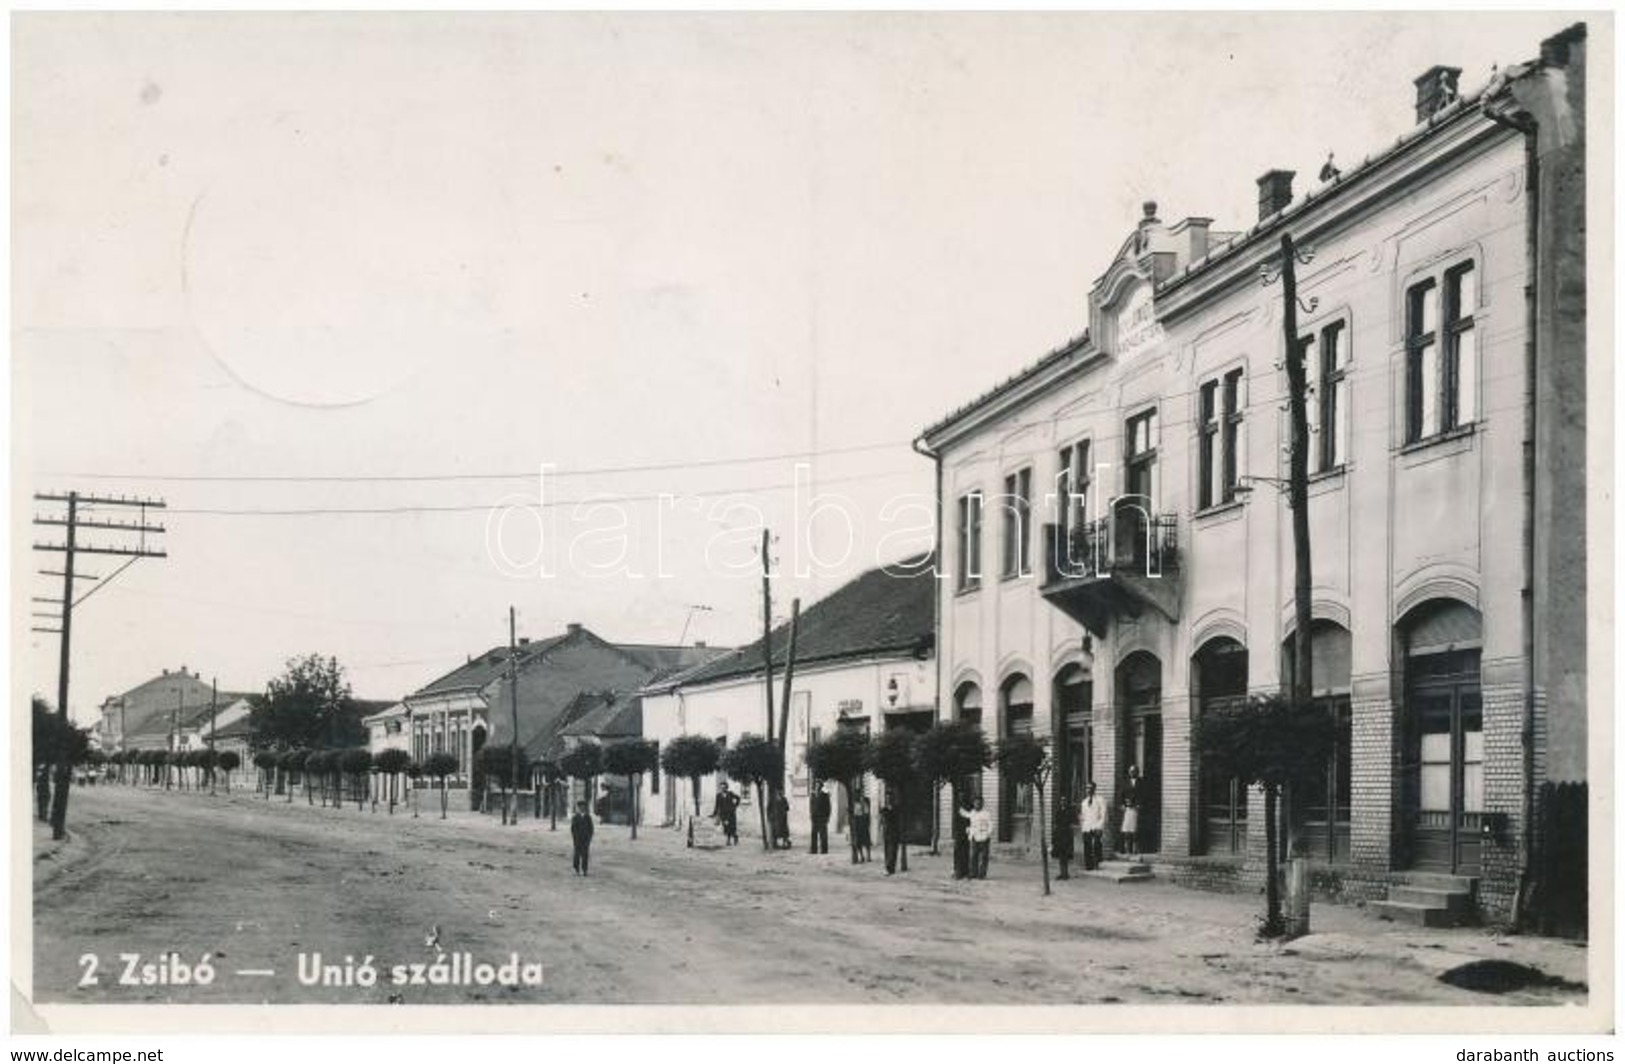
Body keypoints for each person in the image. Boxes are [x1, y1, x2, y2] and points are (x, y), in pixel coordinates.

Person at [961, 796, 993, 879]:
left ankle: (981, 874)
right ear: (974, 804)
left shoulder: (986, 814)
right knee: (973, 856)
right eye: (976, 803)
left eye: (979, 803)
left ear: (982, 804)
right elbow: (966, 816)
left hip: (984, 836)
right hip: (974, 836)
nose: (977, 805)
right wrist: (968, 830)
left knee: (983, 856)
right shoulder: (972, 813)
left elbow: (990, 825)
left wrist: (987, 834)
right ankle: (973, 873)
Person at [1079, 781, 1107, 870]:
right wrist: (1083, 827)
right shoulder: (1084, 802)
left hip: (1096, 826)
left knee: (1097, 845)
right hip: (1087, 826)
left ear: (1094, 789)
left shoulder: (1100, 800)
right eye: (1087, 788)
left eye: (1091, 788)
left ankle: (1098, 863)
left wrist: (1099, 827)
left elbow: (1104, 814)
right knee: (1087, 846)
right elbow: (1083, 816)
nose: (1089, 790)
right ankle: (1089, 866)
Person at [1052, 795, 1078, 880]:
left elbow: (1073, 821)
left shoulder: (1070, 811)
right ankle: (1061, 873)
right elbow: (1056, 823)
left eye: (1064, 801)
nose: (1063, 802)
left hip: (1066, 834)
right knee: (1060, 855)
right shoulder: (1058, 811)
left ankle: (1065, 873)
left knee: (1065, 855)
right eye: (1061, 801)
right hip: (1059, 834)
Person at [1120, 765, 1142, 857]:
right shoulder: (1125, 782)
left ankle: (1135, 848)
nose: (1132, 773)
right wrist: (1122, 804)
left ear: (1137, 772)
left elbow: (1144, 794)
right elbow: (1121, 794)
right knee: (1126, 828)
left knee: (1135, 828)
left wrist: (1139, 804)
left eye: (1134, 771)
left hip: (1136, 809)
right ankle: (1126, 848)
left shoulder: (1141, 782)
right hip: (1127, 808)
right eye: (1131, 771)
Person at [712, 781, 740, 845]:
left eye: (724, 787)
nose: (723, 788)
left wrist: (735, 806)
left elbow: (738, 798)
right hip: (724, 814)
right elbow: (717, 805)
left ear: (726, 787)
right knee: (726, 827)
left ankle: (734, 837)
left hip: (731, 813)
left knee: (732, 827)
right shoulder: (718, 796)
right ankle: (729, 840)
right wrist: (714, 813)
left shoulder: (730, 794)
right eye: (721, 787)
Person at [570, 800, 594, 876]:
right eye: (580, 807)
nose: (582, 808)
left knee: (585, 855)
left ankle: (584, 870)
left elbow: (591, 828)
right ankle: (576, 868)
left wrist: (589, 838)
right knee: (577, 854)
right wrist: (575, 838)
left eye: (583, 807)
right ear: (578, 808)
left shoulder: (588, 817)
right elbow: (573, 829)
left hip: (585, 839)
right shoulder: (575, 817)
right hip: (577, 839)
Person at [951, 790, 971, 879]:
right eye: (960, 797)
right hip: (959, 833)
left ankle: (965, 871)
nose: (961, 798)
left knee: (965, 852)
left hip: (967, 833)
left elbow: (970, 820)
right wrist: (955, 832)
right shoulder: (957, 807)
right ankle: (957, 870)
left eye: (963, 797)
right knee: (957, 852)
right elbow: (955, 821)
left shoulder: (969, 808)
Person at [880, 793, 901, 875]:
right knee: (886, 850)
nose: (888, 800)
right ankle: (888, 867)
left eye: (890, 798)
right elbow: (882, 820)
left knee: (893, 850)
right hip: (886, 831)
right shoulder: (884, 809)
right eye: (887, 798)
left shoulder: (895, 809)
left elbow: (897, 820)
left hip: (894, 832)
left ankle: (891, 868)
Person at [809, 782, 831, 854]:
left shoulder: (825, 795)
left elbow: (828, 807)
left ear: (821, 787)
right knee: (814, 834)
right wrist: (811, 814)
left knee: (823, 834)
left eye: (818, 786)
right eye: (816, 785)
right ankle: (813, 849)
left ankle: (824, 850)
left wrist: (827, 817)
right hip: (815, 817)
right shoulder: (813, 795)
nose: (817, 787)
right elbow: (811, 806)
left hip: (822, 817)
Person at [852, 793, 873, 863]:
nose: (861, 799)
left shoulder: (865, 805)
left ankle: (868, 856)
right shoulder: (856, 805)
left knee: (867, 842)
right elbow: (855, 815)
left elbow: (867, 814)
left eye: (862, 797)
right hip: (858, 824)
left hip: (864, 823)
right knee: (859, 842)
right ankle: (861, 856)